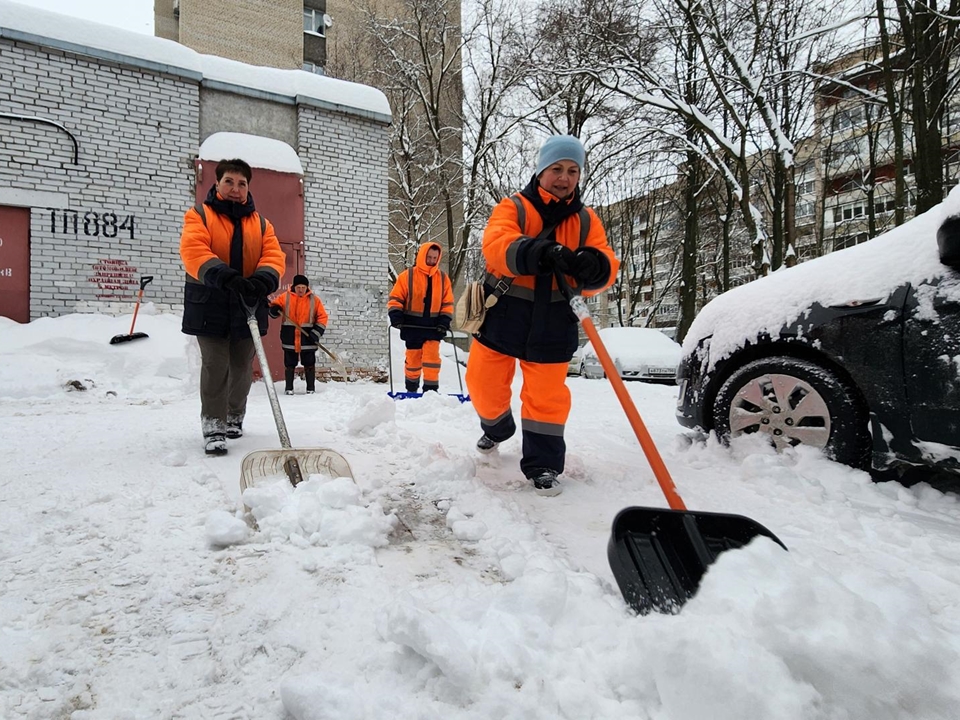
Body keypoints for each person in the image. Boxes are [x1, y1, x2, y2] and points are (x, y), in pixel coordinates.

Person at [465, 135, 619, 496]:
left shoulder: (586, 220)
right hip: (504, 311)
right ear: (541, 171)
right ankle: (497, 427)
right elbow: (497, 244)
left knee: (546, 397)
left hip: (554, 318)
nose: (564, 178)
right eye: (557, 169)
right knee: (484, 383)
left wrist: (594, 265)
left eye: (572, 170)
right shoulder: (515, 207)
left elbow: (608, 263)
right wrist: (540, 250)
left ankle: (543, 464)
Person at [179, 158, 285, 456]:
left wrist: (264, 279)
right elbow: (193, 249)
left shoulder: (262, 224)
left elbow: (273, 256)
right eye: (229, 182)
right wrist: (222, 275)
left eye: (242, 183)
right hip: (210, 301)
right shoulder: (199, 215)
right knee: (216, 365)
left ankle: (235, 415)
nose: (236, 189)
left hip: (247, 302)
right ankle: (214, 425)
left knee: (241, 366)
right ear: (217, 183)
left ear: (248, 188)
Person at [387, 242, 455, 393]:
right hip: (412, 327)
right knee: (413, 360)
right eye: (429, 257)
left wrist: (444, 321)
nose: (431, 260)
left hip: (433, 327)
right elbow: (396, 298)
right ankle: (411, 389)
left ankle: (431, 391)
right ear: (422, 255)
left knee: (432, 360)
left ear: (438, 258)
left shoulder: (443, 279)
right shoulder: (407, 276)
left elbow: (447, 303)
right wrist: (396, 316)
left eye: (434, 258)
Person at [268, 274, 329, 395]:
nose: (301, 290)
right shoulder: (285, 297)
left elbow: (322, 317)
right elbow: (273, 309)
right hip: (289, 337)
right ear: (294, 287)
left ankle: (310, 388)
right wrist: (274, 309)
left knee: (309, 363)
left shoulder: (314, 300)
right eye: (298, 287)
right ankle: (289, 388)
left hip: (308, 338)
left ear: (307, 287)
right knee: (289, 363)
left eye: (303, 287)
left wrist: (316, 333)